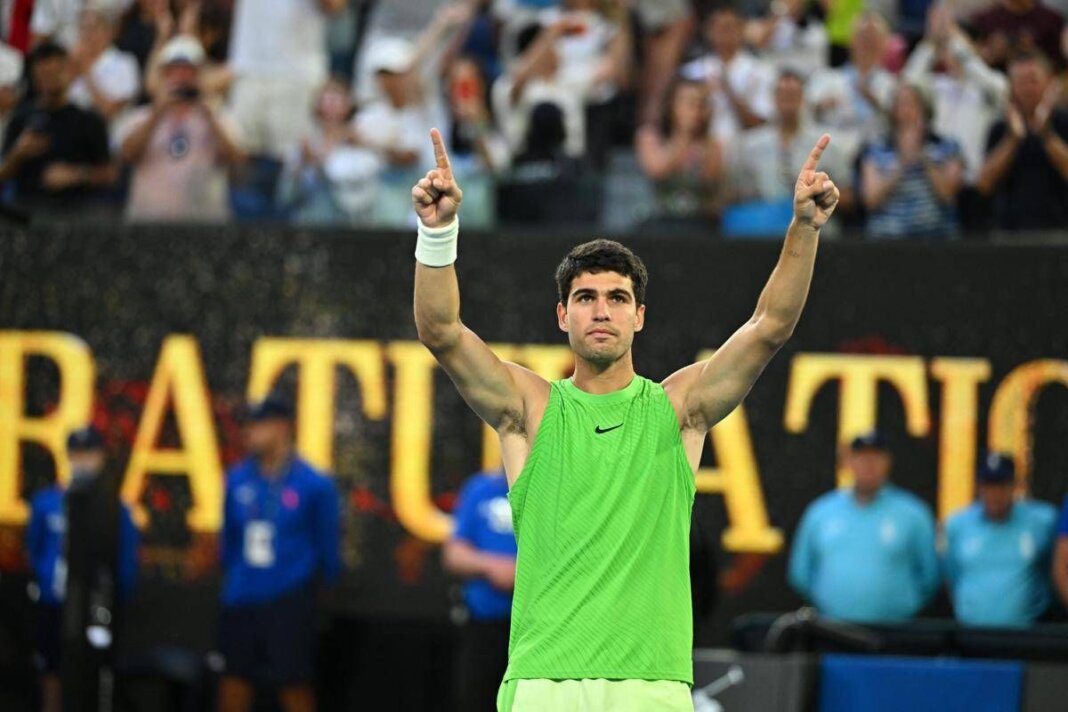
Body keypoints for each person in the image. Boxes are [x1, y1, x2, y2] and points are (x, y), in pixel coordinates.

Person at [410, 119, 839, 708]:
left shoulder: (678, 408)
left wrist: (804, 228)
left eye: (617, 298)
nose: (601, 311)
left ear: (639, 316)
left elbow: (770, 326)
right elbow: (441, 331)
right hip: (545, 682)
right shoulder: (530, 408)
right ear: (563, 316)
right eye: (585, 298)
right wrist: (437, 231)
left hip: (651, 684)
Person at [218, 396, 341, 712]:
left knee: (293, 683)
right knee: (233, 680)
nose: (249, 432)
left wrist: (314, 595)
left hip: (289, 598)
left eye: (258, 425)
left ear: (282, 427)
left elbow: (328, 549)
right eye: (247, 425)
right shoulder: (236, 479)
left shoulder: (315, 485)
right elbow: (228, 541)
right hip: (241, 597)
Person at [25, 426, 139, 712]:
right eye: (77, 454)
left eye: (89, 454)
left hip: (97, 607)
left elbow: (125, 563)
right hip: (55, 602)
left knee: (96, 671)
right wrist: (45, 582)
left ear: (101, 457)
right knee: (52, 670)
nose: (83, 461)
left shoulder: (117, 510)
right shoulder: (47, 503)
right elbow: (34, 549)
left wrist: (114, 601)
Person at [788, 432, 940, 623]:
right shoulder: (821, 511)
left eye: (876, 457)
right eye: (861, 457)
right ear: (848, 462)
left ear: (888, 462)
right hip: (833, 628)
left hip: (895, 629)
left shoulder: (913, 513)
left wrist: (902, 607)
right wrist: (829, 604)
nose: (868, 464)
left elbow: (930, 576)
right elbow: (800, 573)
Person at [116, 34, 244, 223]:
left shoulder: (220, 117)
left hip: (205, 227)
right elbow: (127, 156)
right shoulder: (141, 117)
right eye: (174, 71)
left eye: (189, 71)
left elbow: (236, 161)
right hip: (148, 226)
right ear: (163, 76)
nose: (182, 78)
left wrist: (209, 117)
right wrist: (157, 114)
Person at [901, 6, 1008, 225]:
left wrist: (959, 45)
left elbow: (1000, 92)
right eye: (948, 47)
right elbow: (906, 86)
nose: (952, 51)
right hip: (936, 181)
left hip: (973, 185)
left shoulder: (989, 85)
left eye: (958, 45)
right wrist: (930, 43)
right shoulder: (935, 85)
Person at [0, 41, 116, 219]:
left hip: (75, 216)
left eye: (54, 73)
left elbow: (109, 174)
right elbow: (3, 175)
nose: (48, 81)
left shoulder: (88, 120)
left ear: (68, 71)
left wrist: (76, 175)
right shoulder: (21, 119)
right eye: (42, 75)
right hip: (26, 214)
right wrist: (18, 154)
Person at [943, 453, 1057, 628]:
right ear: (978, 487)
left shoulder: (1042, 521)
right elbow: (952, 575)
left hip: (1026, 632)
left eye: (1002, 486)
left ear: (1015, 486)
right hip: (970, 632)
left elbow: (1054, 568)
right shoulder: (958, 525)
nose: (995, 494)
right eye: (988, 486)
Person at [729, 70, 851, 228]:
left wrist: (819, 194)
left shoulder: (826, 145)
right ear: (773, 99)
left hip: (814, 229)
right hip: (763, 229)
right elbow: (736, 195)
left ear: (803, 99)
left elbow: (848, 198)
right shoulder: (750, 146)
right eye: (783, 95)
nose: (788, 101)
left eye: (793, 95)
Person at [227, 0, 347, 161]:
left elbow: (335, 6)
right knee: (237, 155)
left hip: (296, 75)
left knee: (293, 161)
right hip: (248, 71)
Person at [443, 468, 518, 712]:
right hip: (484, 623)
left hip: (536, 628)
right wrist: (492, 566)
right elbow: (453, 554)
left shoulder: (554, 489)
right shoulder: (480, 489)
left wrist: (522, 572)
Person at [977, 51, 1068, 231]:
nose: (1027, 88)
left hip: (1060, 231)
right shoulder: (1000, 128)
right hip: (1011, 233)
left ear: (1048, 81)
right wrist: (1013, 139)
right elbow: (984, 184)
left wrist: (1046, 135)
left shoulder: (1064, 122)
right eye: (1020, 82)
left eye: (1033, 80)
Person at [860, 82, 963, 239]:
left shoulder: (947, 146)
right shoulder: (876, 149)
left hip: (936, 237)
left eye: (912, 104)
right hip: (886, 237)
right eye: (900, 105)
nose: (906, 112)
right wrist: (903, 162)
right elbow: (871, 200)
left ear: (925, 110)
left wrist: (922, 156)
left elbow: (948, 195)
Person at [807, 12, 896, 165]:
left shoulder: (892, 85)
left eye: (873, 39)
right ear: (852, 41)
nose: (867, 44)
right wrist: (819, 107)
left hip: (877, 155)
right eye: (863, 38)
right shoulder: (826, 78)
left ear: (884, 45)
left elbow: (899, 124)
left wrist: (877, 103)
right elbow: (805, 113)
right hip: (833, 152)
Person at [635, 77, 724, 228]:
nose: (696, 110)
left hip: (699, 220)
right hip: (659, 219)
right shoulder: (650, 137)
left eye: (701, 103)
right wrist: (684, 134)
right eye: (690, 103)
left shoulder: (712, 143)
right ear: (671, 105)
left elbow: (710, 180)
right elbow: (658, 171)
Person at [679, 6, 775, 142]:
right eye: (719, 27)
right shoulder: (693, 72)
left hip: (747, 147)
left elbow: (761, 125)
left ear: (741, 30)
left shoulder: (761, 71)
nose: (724, 33)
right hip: (703, 147)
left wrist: (727, 90)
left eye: (729, 27)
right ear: (708, 32)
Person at [66, 7, 141, 127]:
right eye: (83, 29)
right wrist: (71, 70)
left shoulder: (124, 62)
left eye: (92, 28)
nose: (87, 34)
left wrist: (87, 74)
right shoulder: (72, 64)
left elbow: (109, 112)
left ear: (108, 31)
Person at [969, 0, 1064, 71]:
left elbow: (1060, 65)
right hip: (997, 78)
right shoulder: (983, 21)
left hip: (1039, 82)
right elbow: (971, 60)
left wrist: (1033, 52)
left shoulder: (1051, 20)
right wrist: (991, 54)